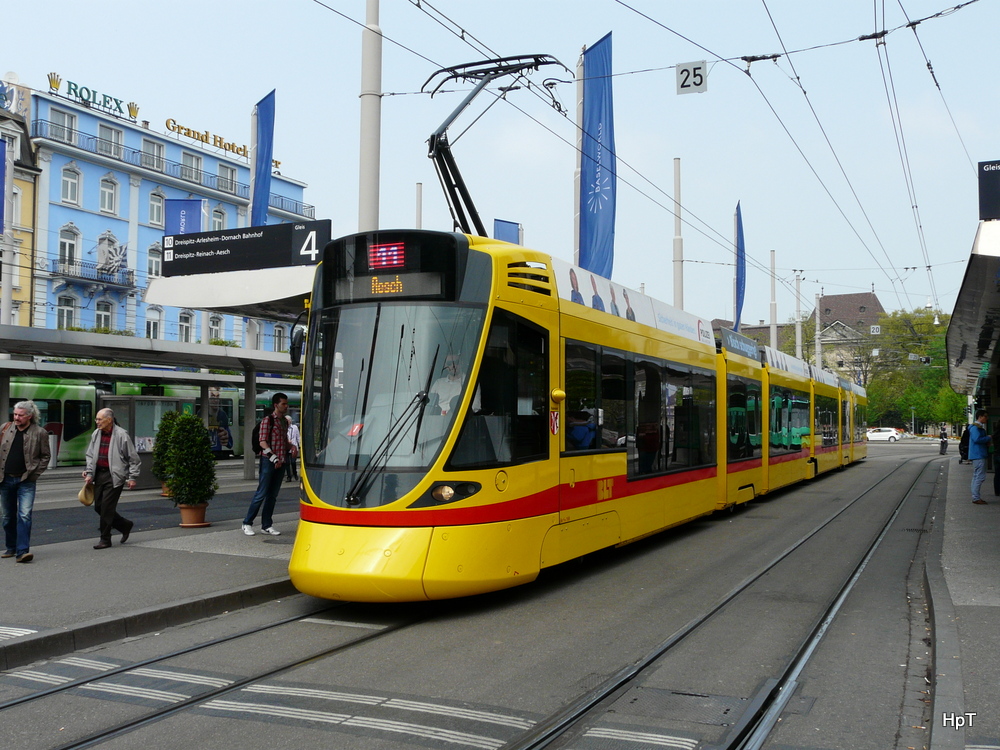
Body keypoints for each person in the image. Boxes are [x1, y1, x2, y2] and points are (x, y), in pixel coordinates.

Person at [1, 401, 52, 563]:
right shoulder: (5, 428)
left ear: (29, 416)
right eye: (15, 414)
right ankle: (11, 547)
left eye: (20, 415)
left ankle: (22, 551)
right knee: (7, 516)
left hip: (26, 480)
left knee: (24, 515)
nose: (16, 418)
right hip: (5, 479)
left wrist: (34, 474)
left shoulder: (40, 433)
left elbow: (45, 456)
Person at [83, 408, 140, 549]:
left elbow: (133, 458)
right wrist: (89, 472)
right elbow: (90, 455)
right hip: (99, 474)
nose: (97, 422)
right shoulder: (96, 433)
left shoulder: (121, 435)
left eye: (99, 419)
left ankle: (105, 539)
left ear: (109, 420)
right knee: (98, 507)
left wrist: (132, 477)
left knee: (106, 508)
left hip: (115, 475)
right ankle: (124, 525)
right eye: (96, 419)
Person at [243, 392, 290, 536]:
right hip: (269, 461)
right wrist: (273, 457)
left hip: (281, 461)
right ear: (276, 405)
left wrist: (292, 447)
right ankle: (247, 523)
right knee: (262, 493)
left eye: (286, 403)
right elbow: (262, 441)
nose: (286, 406)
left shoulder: (284, 421)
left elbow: (283, 441)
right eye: (283, 404)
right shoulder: (267, 420)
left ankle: (266, 525)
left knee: (272, 495)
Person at [968, 409, 991, 505]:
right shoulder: (976, 428)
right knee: (979, 477)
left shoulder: (976, 427)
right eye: (985, 416)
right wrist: (988, 438)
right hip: (979, 454)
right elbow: (977, 439)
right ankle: (976, 497)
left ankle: (975, 496)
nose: (987, 418)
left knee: (976, 476)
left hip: (977, 454)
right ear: (980, 417)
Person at [285, 415, 300, 483]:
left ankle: (295, 473)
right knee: (287, 463)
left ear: (290, 421)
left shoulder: (295, 427)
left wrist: (299, 445)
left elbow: (298, 437)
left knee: (293, 462)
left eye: (288, 420)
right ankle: (289, 476)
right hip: (286, 447)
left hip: (293, 447)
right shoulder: (284, 428)